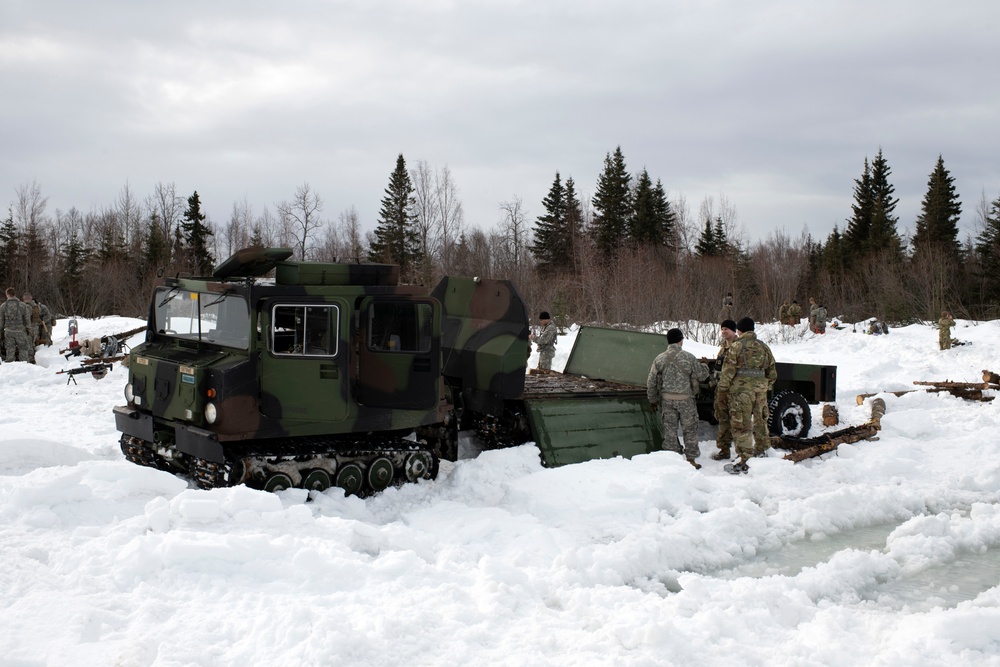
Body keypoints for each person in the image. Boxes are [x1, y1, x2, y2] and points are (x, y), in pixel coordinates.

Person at [717, 317, 777, 475]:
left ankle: (744, 459)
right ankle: (763, 452)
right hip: (760, 392)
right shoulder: (764, 347)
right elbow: (772, 373)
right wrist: (764, 386)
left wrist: (723, 390)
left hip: (741, 393)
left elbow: (728, 372)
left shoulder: (737, 346)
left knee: (742, 425)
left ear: (739, 330)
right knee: (761, 423)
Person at [647, 328, 709, 469]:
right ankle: (691, 458)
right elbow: (702, 376)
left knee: (670, 429)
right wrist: (705, 365)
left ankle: (672, 458)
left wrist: (652, 400)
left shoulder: (660, 358)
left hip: (667, 400)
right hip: (686, 400)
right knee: (690, 429)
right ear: (681, 340)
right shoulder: (689, 357)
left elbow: (651, 382)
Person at [710, 319, 738, 461]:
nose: (724, 332)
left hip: (735, 390)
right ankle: (724, 450)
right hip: (722, 390)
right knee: (723, 419)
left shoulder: (739, 346)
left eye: (726, 329)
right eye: (722, 329)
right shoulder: (723, 347)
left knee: (738, 421)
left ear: (734, 330)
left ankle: (741, 453)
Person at [0, 287, 32, 362]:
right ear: (15, 294)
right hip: (20, 331)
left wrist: (1, 331)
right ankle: (24, 366)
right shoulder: (23, 305)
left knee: (10, 349)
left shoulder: (3, 306)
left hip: (8, 331)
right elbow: (27, 319)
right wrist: (28, 329)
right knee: (23, 349)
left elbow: (1, 321)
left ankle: (11, 368)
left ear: (7, 295)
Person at [21, 292, 41, 362]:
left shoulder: (28, 306)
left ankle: (30, 360)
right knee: (32, 343)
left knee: (29, 344)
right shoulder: (36, 306)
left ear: (24, 299)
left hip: (30, 327)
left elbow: (27, 317)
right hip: (35, 327)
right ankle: (32, 358)